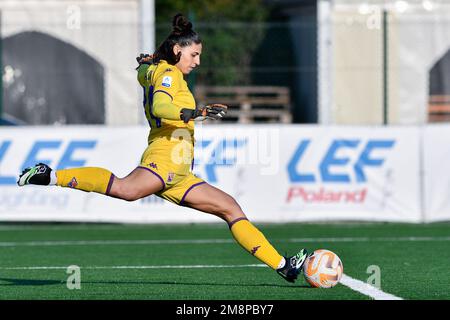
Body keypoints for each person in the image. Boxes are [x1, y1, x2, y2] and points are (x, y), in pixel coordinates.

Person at [17, 13, 308, 283]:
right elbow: (161, 104)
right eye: (194, 55)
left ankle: (284, 266)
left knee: (231, 209)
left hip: (181, 172)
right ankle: (52, 175)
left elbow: (143, 73)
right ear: (177, 50)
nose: (197, 61)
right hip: (166, 157)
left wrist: (149, 61)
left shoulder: (156, 69)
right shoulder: (169, 74)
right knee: (126, 190)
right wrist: (195, 113)